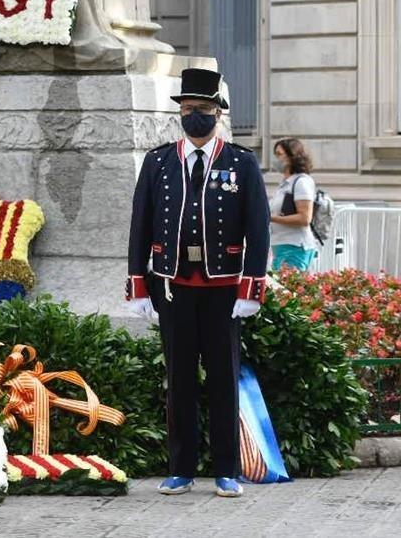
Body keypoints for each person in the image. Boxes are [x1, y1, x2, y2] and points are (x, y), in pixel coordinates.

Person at [125, 68, 269, 499]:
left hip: (223, 291)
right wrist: (138, 284)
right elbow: (140, 224)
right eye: (188, 110)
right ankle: (181, 469)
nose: (195, 117)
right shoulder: (158, 161)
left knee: (223, 380)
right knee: (180, 379)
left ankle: (226, 470)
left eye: (203, 110)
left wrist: (251, 289)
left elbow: (258, 229)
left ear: (218, 113)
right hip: (173, 287)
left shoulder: (240, 162)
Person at [269, 138, 320, 271]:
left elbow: (304, 218)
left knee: (287, 290)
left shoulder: (301, 182)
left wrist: (271, 218)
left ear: (292, 156)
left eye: (279, 154)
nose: (276, 159)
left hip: (295, 246)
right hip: (281, 245)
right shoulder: (286, 183)